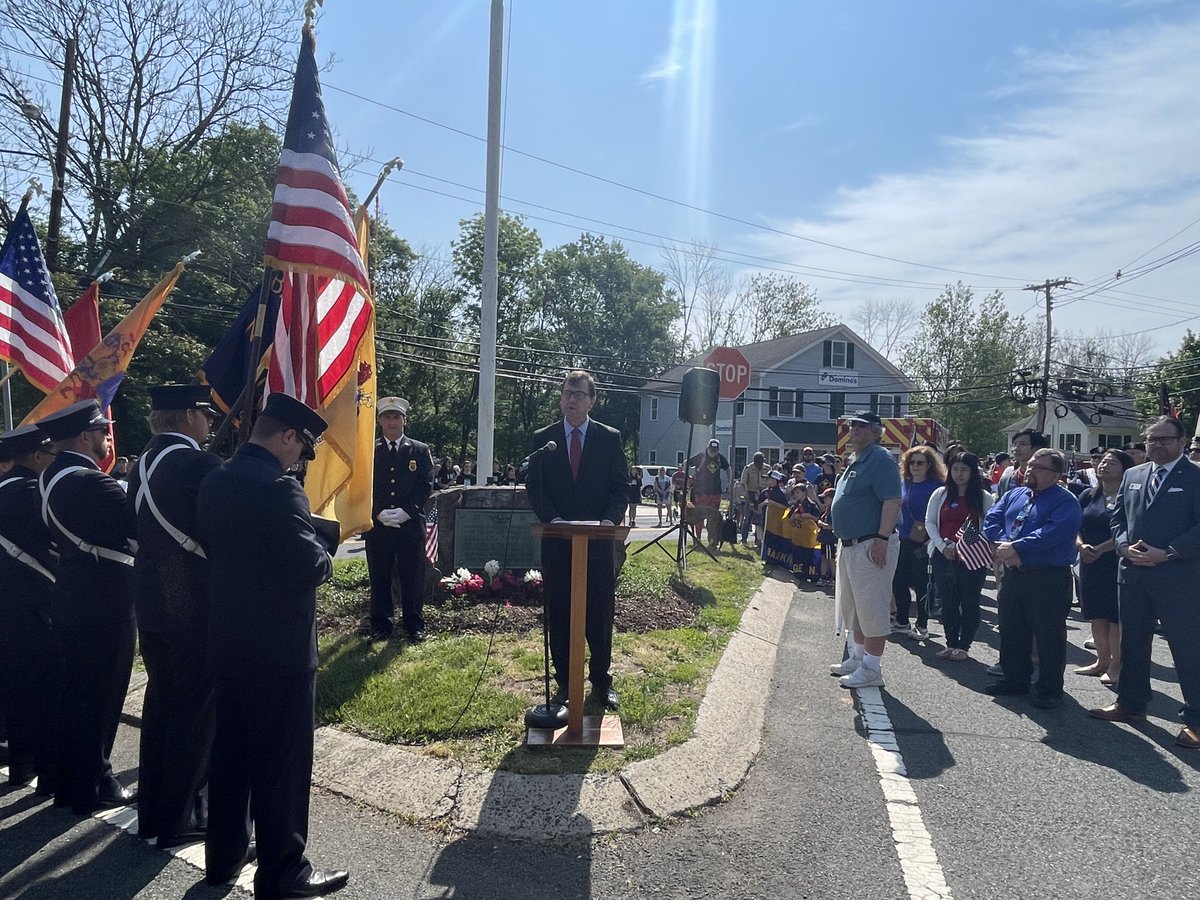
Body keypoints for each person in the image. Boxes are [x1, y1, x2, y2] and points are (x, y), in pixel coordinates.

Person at [197, 393, 348, 897]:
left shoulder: (215, 479)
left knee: (231, 754)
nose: (300, 458)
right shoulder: (279, 491)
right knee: (282, 761)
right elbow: (311, 566)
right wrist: (324, 543)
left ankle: (222, 858)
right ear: (287, 436)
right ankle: (283, 870)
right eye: (301, 448)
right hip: (279, 651)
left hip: (227, 642)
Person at [126, 385, 221, 846]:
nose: (210, 423)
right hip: (192, 603)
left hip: (153, 602)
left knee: (162, 705)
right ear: (187, 416)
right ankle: (182, 814)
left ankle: (156, 811)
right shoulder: (198, 464)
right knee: (195, 712)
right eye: (205, 414)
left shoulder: (141, 464)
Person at [36, 400, 138, 814]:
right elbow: (134, 526)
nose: (106, 437)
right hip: (104, 599)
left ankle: (68, 779)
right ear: (84, 437)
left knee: (77, 692)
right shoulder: (91, 481)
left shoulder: (51, 476)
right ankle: (94, 781)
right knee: (101, 695)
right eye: (101, 432)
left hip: (75, 592)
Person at [1092, 417, 1200, 750]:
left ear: (1182, 441)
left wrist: (1167, 553)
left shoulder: (1195, 476)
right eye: (1151, 440)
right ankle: (1131, 704)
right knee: (1133, 643)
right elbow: (1118, 516)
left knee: (1187, 649)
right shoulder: (1134, 474)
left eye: (1164, 439)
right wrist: (1123, 546)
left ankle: (1195, 719)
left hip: (1176, 575)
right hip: (1133, 573)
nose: (1156, 445)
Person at [526, 370, 628, 711]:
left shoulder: (609, 438)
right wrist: (553, 520)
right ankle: (565, 685)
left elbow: (620, 487)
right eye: (567, 392)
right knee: (560, 614)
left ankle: (601, 681)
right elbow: (534, 486)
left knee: (598, 614)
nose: (572, 399)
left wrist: (607, 521)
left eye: (579, 394)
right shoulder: (544, 438)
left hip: (597, 544)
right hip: (557, 544)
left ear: (592, 400)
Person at [982, 448, 1082, 708]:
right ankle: (1015, 679)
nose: (1030, 469)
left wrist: (1018, 547)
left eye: (1038, 466)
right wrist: (1005, 545)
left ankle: (1050, 689)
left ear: (1055, 474)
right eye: (1030, 464)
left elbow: (1054, 533)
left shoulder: (1065, 501)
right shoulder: (1015, 493)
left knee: (1048, 634)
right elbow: (992, 519)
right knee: (1012, 627)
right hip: (1014, 574)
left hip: (1047, 577)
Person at [0, 425, 59, 789]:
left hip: (9, 601)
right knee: (43, 689)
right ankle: (43, 766)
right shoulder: (30, 493)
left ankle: (22, 763)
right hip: (35, 601)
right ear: (38, 457)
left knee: (15, 685)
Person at [827, 411, 902, 689]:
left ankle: (872, 668)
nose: (853, 430)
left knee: (872, 607)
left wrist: (882, 539)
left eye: (861, 426)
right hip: (850, 545)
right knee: (855, 607)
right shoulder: (855, 460)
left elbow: (892, 501)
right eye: (851, 425)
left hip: (871, 543)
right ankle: (858, 658)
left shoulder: (880, 459)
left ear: (876, 431)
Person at [364, 397, 434, 642]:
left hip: (410, 525)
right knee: (379, 575)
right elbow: (362, 485)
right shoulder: (369, 450)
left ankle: (414, 624)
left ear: (404, 421)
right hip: (378, 526)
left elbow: (426, 485)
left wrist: (407, 511)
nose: (391, 421)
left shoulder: (419, 449)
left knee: (412, 577)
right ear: (380, 421)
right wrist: (377, 511)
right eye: (387, 417)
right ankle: (381, 624)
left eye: (396, 417)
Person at [925, 452, 995, 662]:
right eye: (955, 469)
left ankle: (964, 645)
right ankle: (951, 643)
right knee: (948, 601)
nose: (959, 474)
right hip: (943, 554)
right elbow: (930, 522)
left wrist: (963, 545)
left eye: (964, 469)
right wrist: (942, 544)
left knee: (970, 600)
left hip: (972, 556)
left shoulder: (984, 497)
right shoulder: (941, 493)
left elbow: (988, 527)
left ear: (973, 472)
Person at [1073, 449, 1134, 685]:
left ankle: (1117, 665)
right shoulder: (1088, 495)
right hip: (1089, 562)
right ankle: (1101, 661)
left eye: (1112, 463)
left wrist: (1100, 549)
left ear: (1124, 469)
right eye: (1103, 462)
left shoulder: (1128, 496)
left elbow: (1129, 530)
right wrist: (1081, 546)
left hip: (1116, 561)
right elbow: (1075, 524)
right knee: (1096, 614)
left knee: (1113, 616)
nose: (1104, 466)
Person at [892, 446, 946, 640]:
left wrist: (933, 539)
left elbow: (943, 515)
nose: (915, 466)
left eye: (920, 463)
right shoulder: (903, 483)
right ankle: (902, 621)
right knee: (898, 582)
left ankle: (922, 625)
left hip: (925, 542)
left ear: (929, 465)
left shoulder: (938, 486)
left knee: (923, 585)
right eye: (911, 462)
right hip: (901, 539)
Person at [688, 438, 730, 551]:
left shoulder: (720, 458)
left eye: (715, 450)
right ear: (708, 447)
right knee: (698, 517)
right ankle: (697, 540)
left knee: (714, 519)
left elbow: (728, 468)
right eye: (711, 449)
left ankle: (713, 542)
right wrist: (688, 477)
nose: (713, 451)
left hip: (715, 493)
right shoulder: (701, 457)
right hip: (701, 493)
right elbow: (686, 463)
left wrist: (730, 482)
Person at [739, 451, 769, 546]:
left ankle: (759, 540)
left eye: (760, 462)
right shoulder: (748, 468)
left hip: (763, 494)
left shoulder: (768, 468)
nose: (759, 464)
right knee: (748, 517)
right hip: (751, 493)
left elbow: (771, 481)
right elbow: (743, 483)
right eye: (757, 462)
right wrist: (746, 495)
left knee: (761, 518)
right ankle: (744, 539)